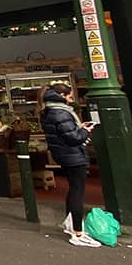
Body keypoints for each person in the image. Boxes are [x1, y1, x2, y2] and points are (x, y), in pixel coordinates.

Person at [40, 84, 99, 248]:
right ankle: (78, 233)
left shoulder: (49, 111)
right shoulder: (60, 112)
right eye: (70, 97)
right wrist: (85, 131)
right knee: (77, 191)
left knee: (73, 189)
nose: (71, 100)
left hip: (63, 154)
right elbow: (72, 137)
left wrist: (80, 129)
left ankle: (70, 224)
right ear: (62, 95)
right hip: (71, 154)